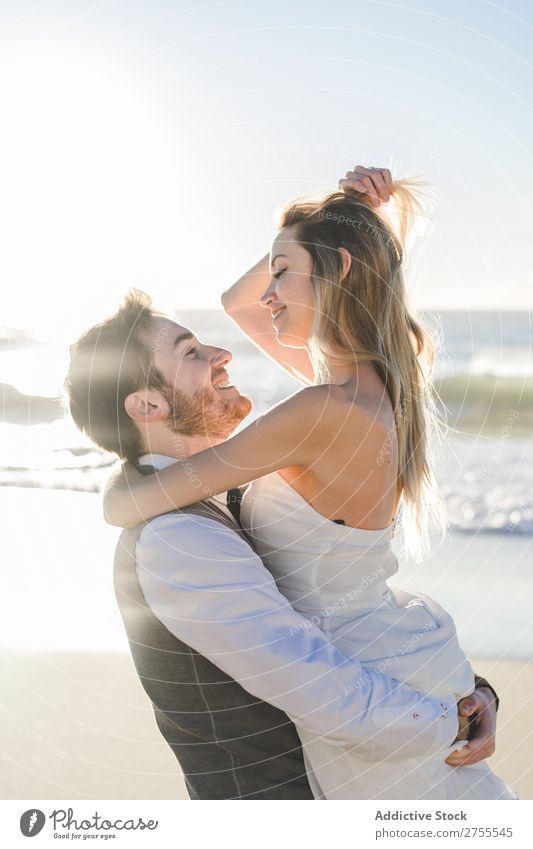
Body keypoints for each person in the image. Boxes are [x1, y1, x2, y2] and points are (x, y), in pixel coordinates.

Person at [98, 166, 515, 799]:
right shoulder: (376, 386)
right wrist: (345, 212)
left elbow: (138, 500)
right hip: (393, 655)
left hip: (365, 682)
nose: (267, 294)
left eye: (282, 273)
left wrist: (112, 487)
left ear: (339, 271)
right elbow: (241, 301)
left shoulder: (323, 410)